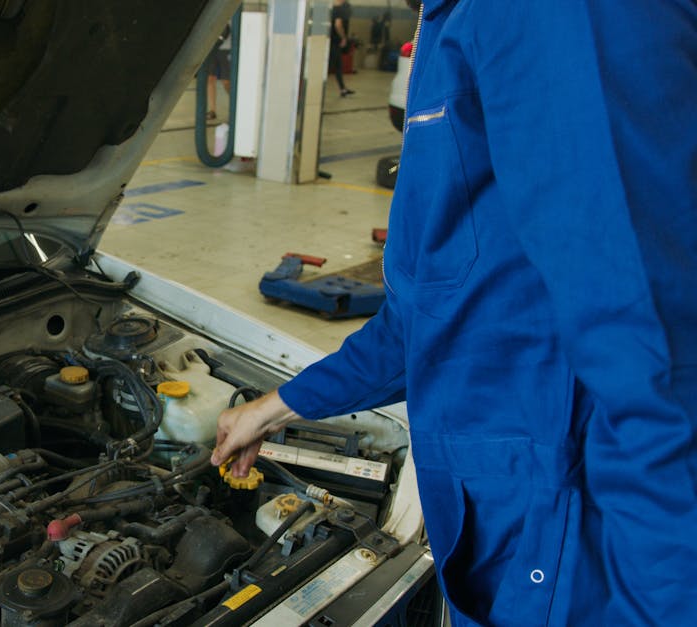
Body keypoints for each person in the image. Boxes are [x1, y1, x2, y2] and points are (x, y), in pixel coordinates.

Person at [210, 1, 697, 625]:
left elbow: (654, 354)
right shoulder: (452, 19)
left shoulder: (558, 14)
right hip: (496, 517)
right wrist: (275, 407)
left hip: (566, 531)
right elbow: (425, 310)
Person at [205, 25, 232, 120]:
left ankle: (234, 107)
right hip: (212, 48)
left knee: (226, 81)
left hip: (226, 47)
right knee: (210, 78)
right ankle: (212, 110)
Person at [329, 0, 353, 96]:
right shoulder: (341, 9)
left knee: (339, 66)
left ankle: (343, 89)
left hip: (334, 41)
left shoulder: (333, 8)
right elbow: (338, 25)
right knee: (331, 65)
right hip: (335, 42)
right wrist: (343, 37)